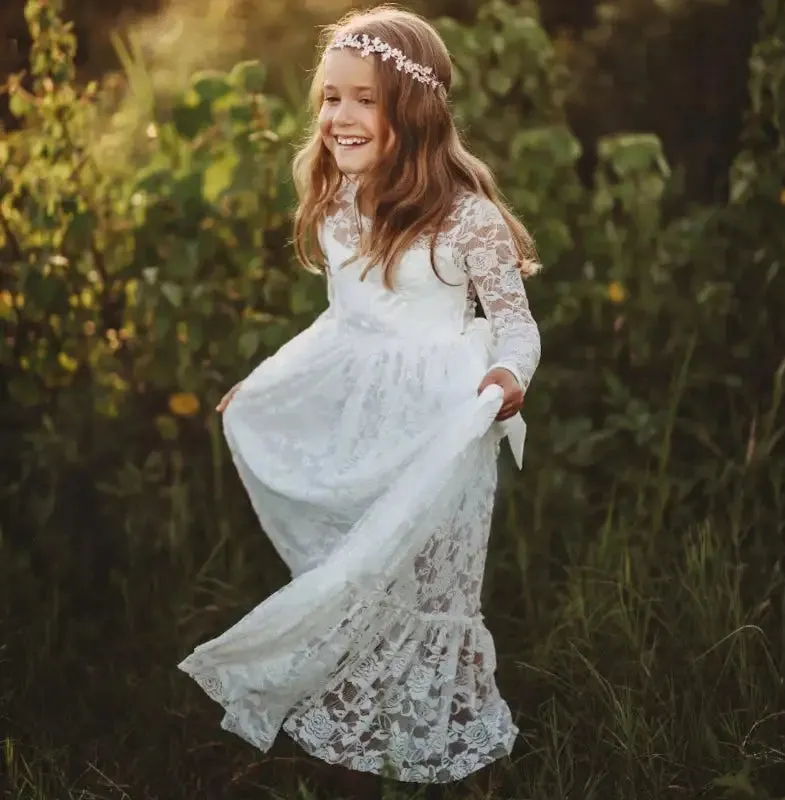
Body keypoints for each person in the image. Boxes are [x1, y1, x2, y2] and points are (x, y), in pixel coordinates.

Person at [178, 4, 542, 793]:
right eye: (329, 97)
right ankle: (359, 730)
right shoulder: (343, 205)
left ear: (410, 112)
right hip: (364, 413)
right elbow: (343, 318)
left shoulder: (466, 218)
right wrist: (265, 382)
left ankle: (434, 736)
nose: (338, 116)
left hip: (443, 419)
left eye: (361, 99)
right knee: (360, 565)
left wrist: (508, 378)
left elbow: (516, 327)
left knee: (428, 581)